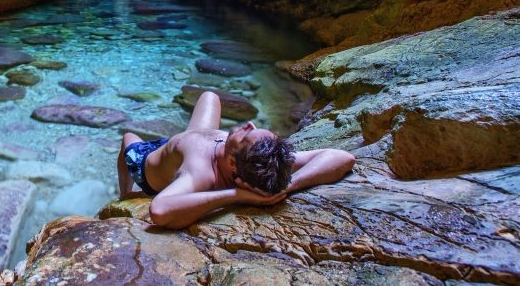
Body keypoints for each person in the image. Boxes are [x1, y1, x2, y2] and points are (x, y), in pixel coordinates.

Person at [116, 91, 355, 229]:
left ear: (232, 163)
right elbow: (343, 157)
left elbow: (159, 210)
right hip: (193, 140)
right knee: (210, 96)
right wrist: (286, 187)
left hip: (148, 162)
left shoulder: (199, 174)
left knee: (128, 138)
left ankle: (124, 192)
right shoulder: (265, 159)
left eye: (247, 134)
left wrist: (236, 195)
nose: (250, 124)